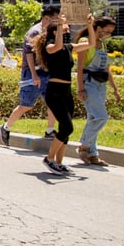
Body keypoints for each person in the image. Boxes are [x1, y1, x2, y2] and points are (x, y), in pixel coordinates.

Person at [36, 14, 95, 176]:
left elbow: (91, 43)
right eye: (64, 29)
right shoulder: (49, 47)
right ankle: (49, 158)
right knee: (68, 126)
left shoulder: (69, 47)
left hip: (67, 92)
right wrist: (60, 25)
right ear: (56, 32)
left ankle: (59, 163)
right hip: (54, 92)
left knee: (65, 129)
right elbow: (57, 46)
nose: (67, 31)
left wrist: (89, 25)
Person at [0, 5, 61, 146]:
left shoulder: (51, 32)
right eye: (55, 19)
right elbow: (29, 54)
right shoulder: (35, 32)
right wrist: (33, 75)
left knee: (52, 102)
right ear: (46, 18)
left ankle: (50, 130)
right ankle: (5, 127)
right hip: (33, 73)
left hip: (47, 72)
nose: (57, 22)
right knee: (26, 105)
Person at [77, 16, 121, 166]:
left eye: (111, 32)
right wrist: (80, 89)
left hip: (101, 84)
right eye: (107, 30)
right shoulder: (85, 42)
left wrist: (115, 89)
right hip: (89, 83)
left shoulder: (102, 44)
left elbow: (107, 69)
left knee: (93, 119)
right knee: (101, 117)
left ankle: (93, 154)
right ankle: (83, 147)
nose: (108, 34)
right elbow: (80, 68)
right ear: (98, 27)